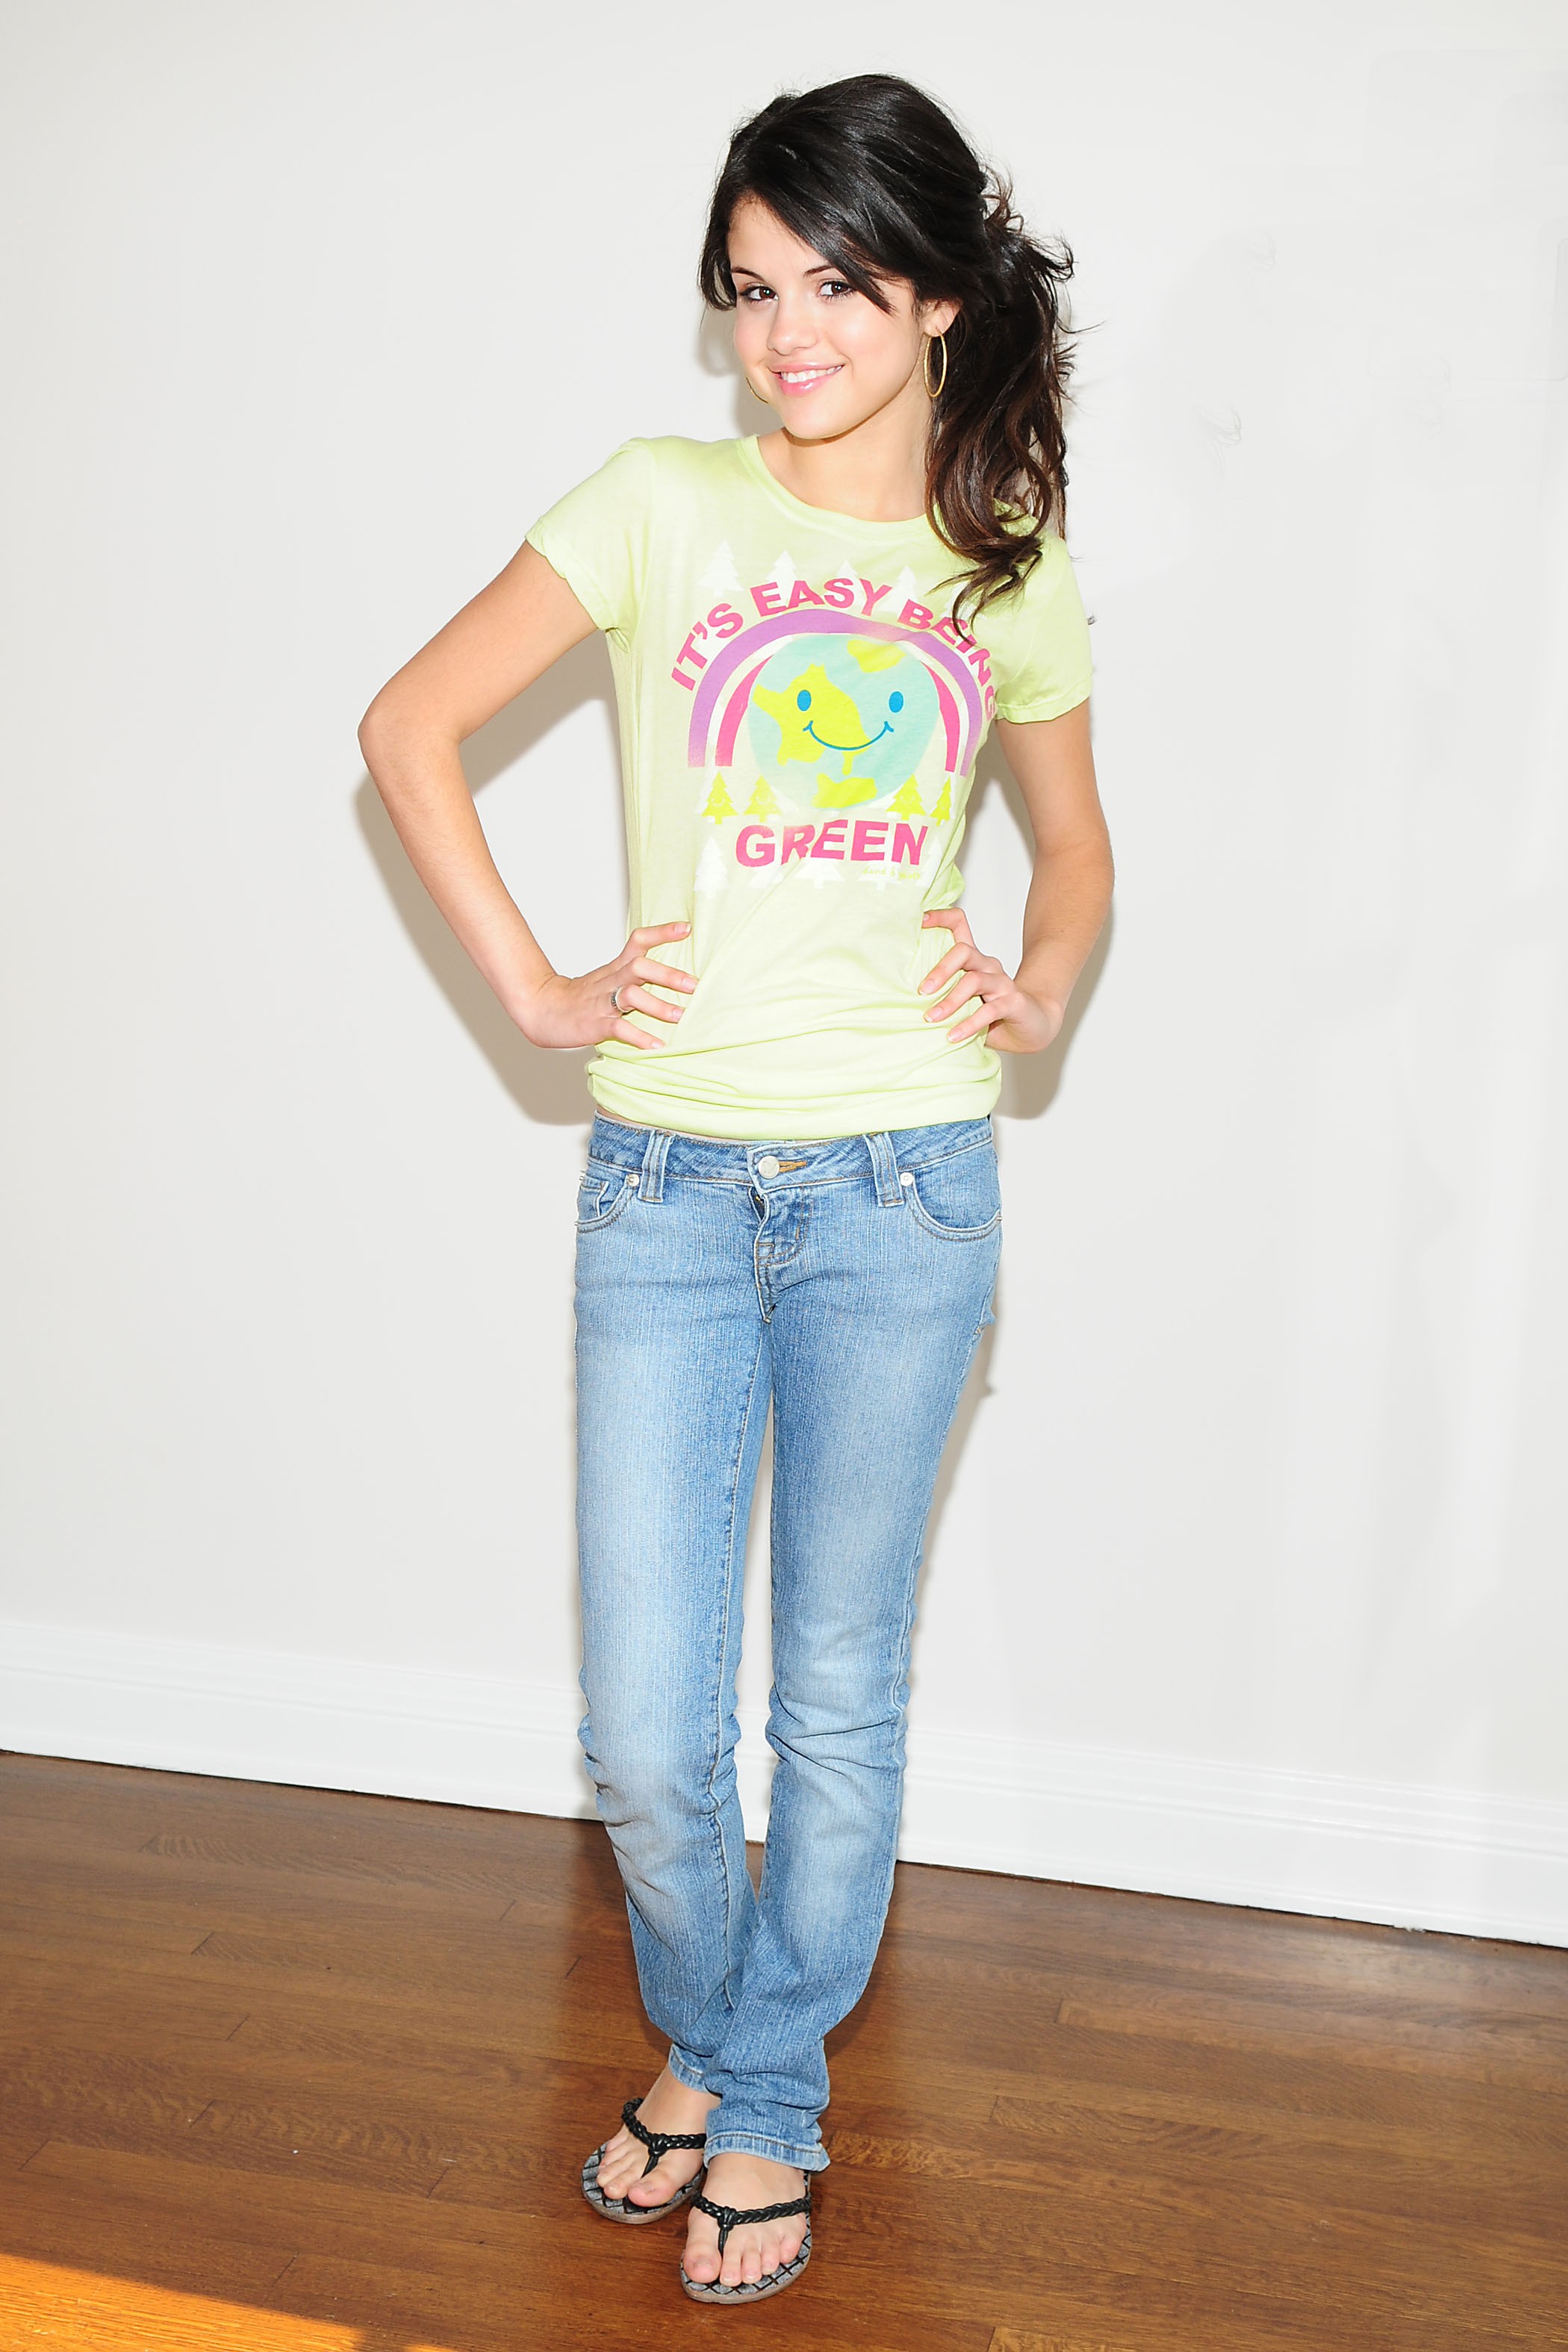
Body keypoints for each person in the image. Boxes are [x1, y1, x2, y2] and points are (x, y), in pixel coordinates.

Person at [359, 72, 1113, 2309]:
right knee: (647, 1730)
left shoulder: (1004, 560)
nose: (787, 335)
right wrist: (539, 989)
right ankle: (736, 2047)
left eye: (839, 286)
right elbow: (407, 727)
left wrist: (1041, 982)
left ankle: (748, 2102)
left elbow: (1077, 846)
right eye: (752, 288)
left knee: (838, 1698)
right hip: (670, 1186)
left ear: (941, 297)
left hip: (905, 1188)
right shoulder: (656, 503)